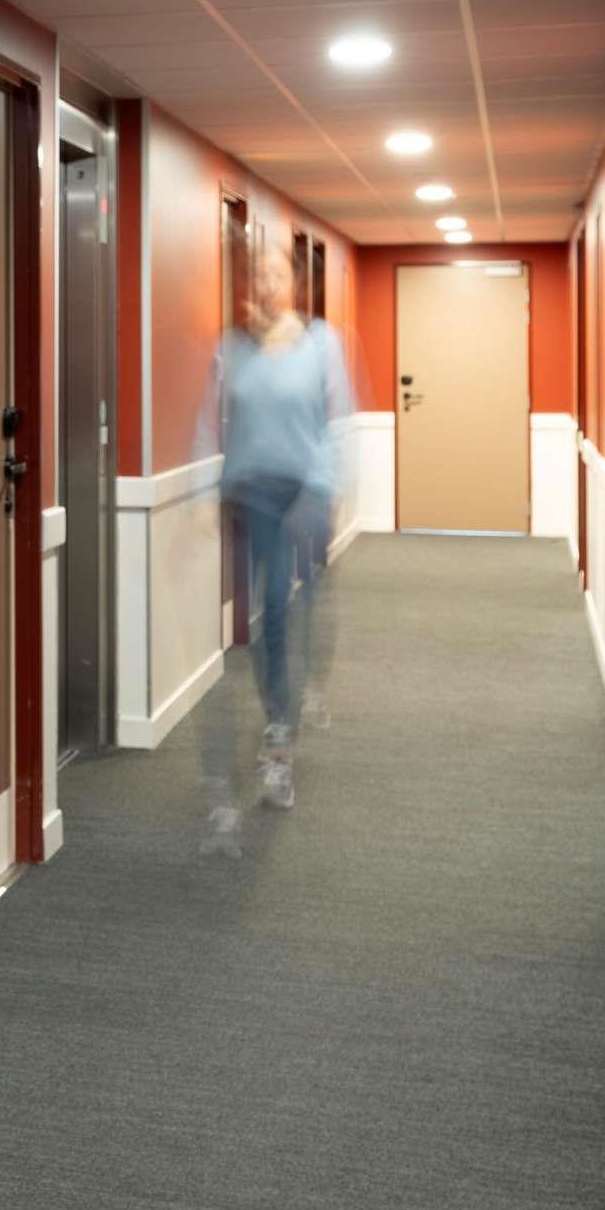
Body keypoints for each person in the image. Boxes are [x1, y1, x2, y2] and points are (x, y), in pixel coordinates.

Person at [199, 234, 353, 852]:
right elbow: (210, 420)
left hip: (303, 495)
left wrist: (331, 490)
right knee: (266, 621)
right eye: (257, 274)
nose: (266, 284)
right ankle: (277, 729)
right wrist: (209, 489)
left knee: (291, 615)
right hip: (250, 496)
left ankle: (281, 740)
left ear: (294, 282)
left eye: (276, 274)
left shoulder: (320, 343)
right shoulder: (233, 347)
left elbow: (337, 422)